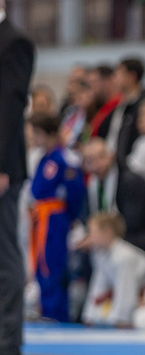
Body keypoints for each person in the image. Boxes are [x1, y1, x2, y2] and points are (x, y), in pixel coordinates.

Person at [0, 0, 35, 355]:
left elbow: (9, 108)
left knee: (4, 249)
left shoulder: (14, 42)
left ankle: (8, 337)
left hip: (4, 166)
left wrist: (3, 167)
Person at [27, 113, 85, 323]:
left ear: (44, 134)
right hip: (42, 216)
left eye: (34, 134)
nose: (31, 139)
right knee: (41, 263)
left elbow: (76, 192)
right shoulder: (45, 157)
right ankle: (46, 308)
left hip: (56, 217)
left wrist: (68, 217)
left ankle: (56, 312)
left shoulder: (65, 158)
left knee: (53, 263)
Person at [81, 138, 145, 259]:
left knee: (110, 247)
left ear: (111, 156)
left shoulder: (130, 181)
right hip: (122, 234)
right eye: (89, 161)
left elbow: (132, 222)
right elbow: (88, 214)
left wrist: (102, 237)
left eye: (101, 157)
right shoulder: (93, 184)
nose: (96, 165)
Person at [81, 212, 145, 327]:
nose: (89, 237)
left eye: (92, 232)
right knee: (98, 315)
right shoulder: (101, 255)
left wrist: (119, 321)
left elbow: (126, 293)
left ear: (107, 233)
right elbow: (98, 288)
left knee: (137, 318)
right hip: (126, 294)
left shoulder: (124, 256)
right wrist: (89, 316)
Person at [106, 56, 145, 166]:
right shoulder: (122, 103)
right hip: (119, 164)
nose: (114, 79)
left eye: (119, 74)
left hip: (137, 165)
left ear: (132, 76)